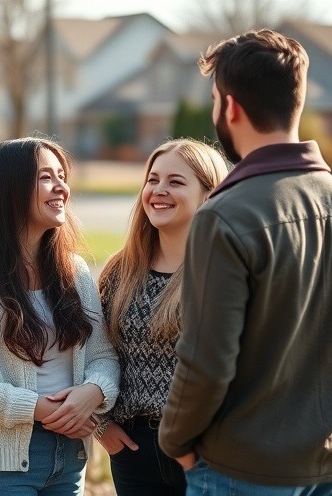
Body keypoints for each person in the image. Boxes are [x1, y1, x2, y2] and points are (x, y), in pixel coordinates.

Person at [158, 29, 332, 496]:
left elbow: (207, 363)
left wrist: (175, 442)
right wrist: (318, 420)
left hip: (237, 472)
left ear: (229, 107)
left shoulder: (223, 217)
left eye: (213, 100)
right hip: (330, 470)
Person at [0, 137, 120, 496]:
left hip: (69, 460)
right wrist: (41, 409)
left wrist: (92, 393)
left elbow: (103, 356)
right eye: (47, 177)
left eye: (63, 176)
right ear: (9, 190)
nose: (62, 186)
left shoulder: (74, 271)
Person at [96, 139, 228, 496]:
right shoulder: (120, 272)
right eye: (152, 180)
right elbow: (92, 352)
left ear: (209, 194)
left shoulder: (224, 272)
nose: (159, 190)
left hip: (208, 451)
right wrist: (101, 427)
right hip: (133, 451)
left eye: (175, 182)